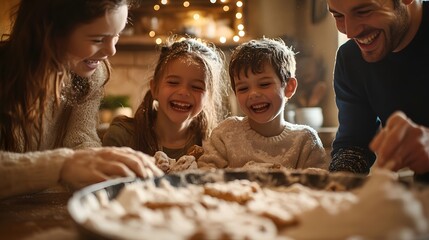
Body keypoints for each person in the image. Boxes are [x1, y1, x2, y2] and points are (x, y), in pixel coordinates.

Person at [0, 0, 163, 200]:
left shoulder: (91, 75)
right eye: (97, 39)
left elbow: (80, 140)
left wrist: (103, 167)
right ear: (50, 33)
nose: (111, 51)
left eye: (116, 35)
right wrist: (62, 165)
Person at [327, 0, 429, 180]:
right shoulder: (351, 58)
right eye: (338, 16)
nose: (350, 32)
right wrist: (338, 184)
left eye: (364, 12)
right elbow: (354, 144)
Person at [197, 37, 329, 170]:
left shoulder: (305, 141)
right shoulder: (225, 134)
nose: (253, 94)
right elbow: (206, 174)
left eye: (264, 84)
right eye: (243, 88)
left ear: (289, 87)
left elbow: (318, 185)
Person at [102, 36, 228, 160]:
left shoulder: (216, 146)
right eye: (173, 82)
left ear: (208, 97)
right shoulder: (122, 137)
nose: (183, 92)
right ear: (155, 88)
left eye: (196, 87)